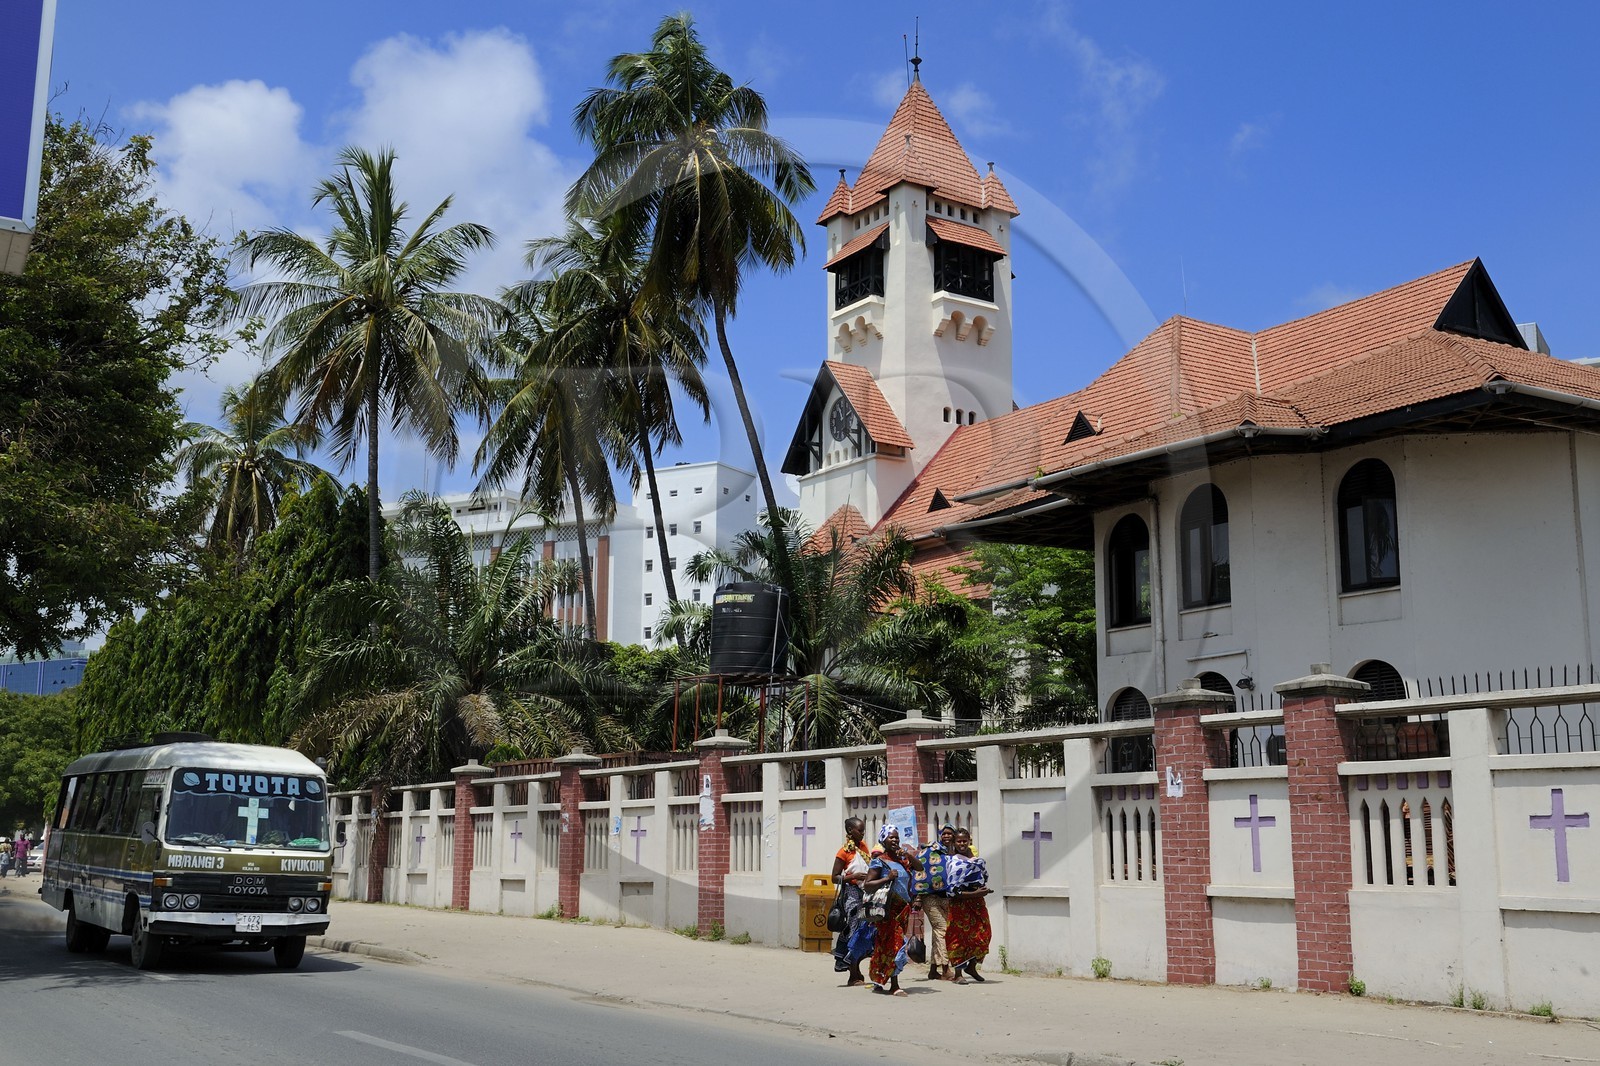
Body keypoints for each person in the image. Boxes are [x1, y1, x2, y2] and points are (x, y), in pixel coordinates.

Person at [862, 825, 921, 996]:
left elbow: (920, 868)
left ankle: (878, 978)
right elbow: (867, 885)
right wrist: (887, 878)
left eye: (896, 837)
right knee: (895, 944)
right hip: (887, 910)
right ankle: (894, 984)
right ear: (883, 840)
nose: (894, 840)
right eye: (891, 837)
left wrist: (908, 854)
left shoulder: (903, 860)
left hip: (903, 909)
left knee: (885, 945)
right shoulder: (879, 861)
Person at [945, 826, 993, 982]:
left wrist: (982, 890)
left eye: (964, 841)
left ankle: (972, 966)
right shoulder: (953, 861)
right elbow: (952, 891)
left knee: (984, 933)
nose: (962, 844)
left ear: (969, 841)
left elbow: (982, 877)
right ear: (954, 842)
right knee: (959, 937)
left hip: (977, 903)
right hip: (959, 905)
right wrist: (974, 893)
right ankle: (958, 974)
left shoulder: (975, 859)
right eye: (959, 841)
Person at [830, 817, 873, 986]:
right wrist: (852, 877)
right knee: (854, 929)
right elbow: (834, 877)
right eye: (859, 831)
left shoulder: (863, 848)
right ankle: (852, 973)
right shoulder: (843, 852)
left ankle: (857, 971)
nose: (862, 834)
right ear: (850, 831)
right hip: (852, 894)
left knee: (864, 930)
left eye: (863, 830)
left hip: (865, 893)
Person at [916, 824, 959, 982]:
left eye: (950, 834)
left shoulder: (956, 853)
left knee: (938, 932)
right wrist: (918, 897)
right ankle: (946, 969)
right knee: (942, 929)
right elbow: (921, 872)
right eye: (944, 834)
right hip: (931, 897)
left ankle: (933, 970)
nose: (947, 836)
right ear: (940, 835)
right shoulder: (931, 850)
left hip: (947, 898)